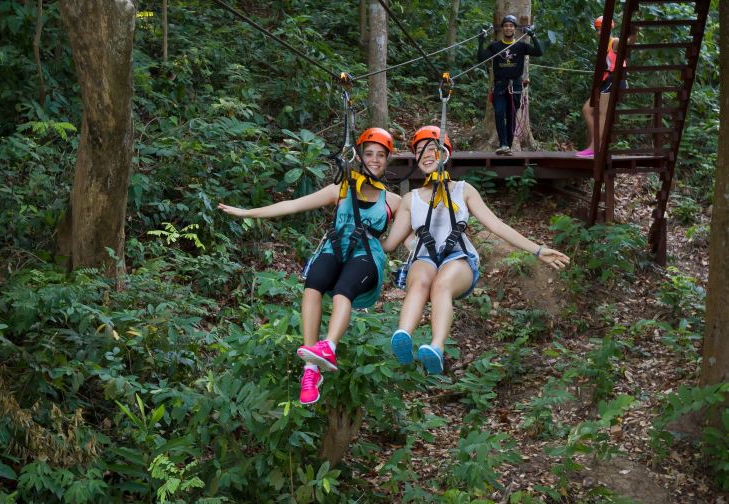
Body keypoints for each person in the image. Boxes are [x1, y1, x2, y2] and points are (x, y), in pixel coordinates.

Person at [219, 128, 403, 404]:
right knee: (313, 284)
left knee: (343, 291)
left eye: (380, 155)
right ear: (360, 158)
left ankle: (328, 345)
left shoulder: (394, 201)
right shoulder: (340, 189)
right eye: (369, 154)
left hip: (367, 253)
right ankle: (310, 368)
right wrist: (247, 213)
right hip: (335, 246)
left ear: (387, 160)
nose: (375, 160)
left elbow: (400, 240)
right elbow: (293, 205)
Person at [382, 126, 570, 373]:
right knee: (419, 282)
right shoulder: (411, 199)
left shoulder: (462, 190)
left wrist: (537, 249)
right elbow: (389, 244)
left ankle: (435, 348)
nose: (426, 154)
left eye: (432, 148)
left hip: (457, 257)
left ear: (445, 153)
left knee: (441, 285)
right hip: (425, 258)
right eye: (420, 151)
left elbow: (496, 225)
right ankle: (403, 335)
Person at [477, 14, 543, 156]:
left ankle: (508, 146)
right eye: (506, 25)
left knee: (511, 115)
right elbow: (481, 58)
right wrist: (481, 41)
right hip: (500, 86)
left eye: (511, 26)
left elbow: (539, 52)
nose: (508, 28)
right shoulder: (495, 46)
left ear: (514, 29)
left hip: (516, 86)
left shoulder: (521, 46)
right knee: (500, 113)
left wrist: (533, 36)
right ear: (502, 29)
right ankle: (503, 144)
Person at [576, 16, 637, 158]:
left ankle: (595, 147)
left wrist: (634, 32)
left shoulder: (614, 42)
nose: (598, 33)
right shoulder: (603, 45)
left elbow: (628, 42)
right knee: (587, 110)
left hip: (614, 79)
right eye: (597, 30)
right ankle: (598, 144)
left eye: (601, 29)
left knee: (602, 113)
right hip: (605, 81)